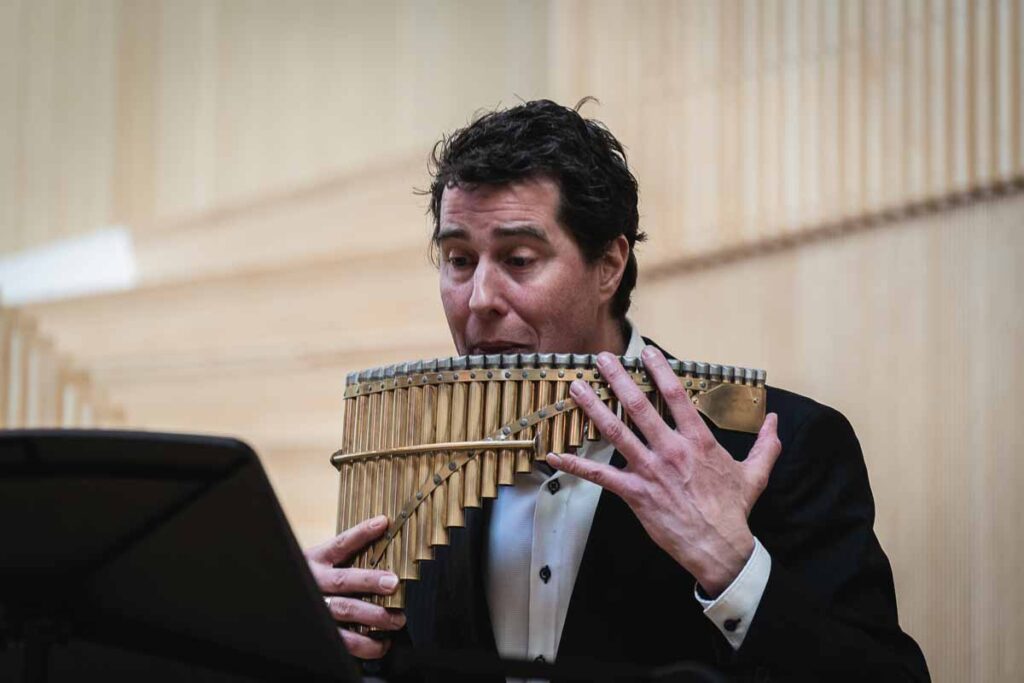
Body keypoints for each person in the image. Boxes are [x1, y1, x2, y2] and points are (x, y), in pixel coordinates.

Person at [304, 99, 930, 681]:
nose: (479, 299)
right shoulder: (420, 459)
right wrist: (311, 632)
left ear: (608, 265)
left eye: (519, 259)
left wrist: (733, 567)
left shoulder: (781, 446)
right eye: (459, 260)